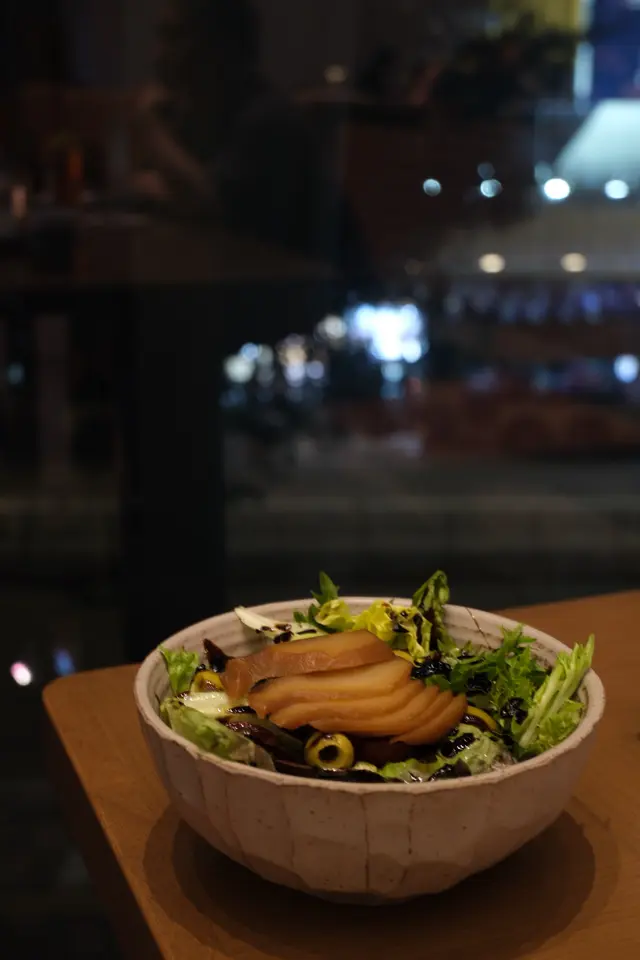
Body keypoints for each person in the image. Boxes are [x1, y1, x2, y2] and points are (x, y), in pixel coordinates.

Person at [133, 0, 369, 278]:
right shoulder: (204, 113)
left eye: (175, 37)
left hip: (316, 297)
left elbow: (208, 209)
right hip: (257, 287)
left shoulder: (268, 121)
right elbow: (170, 191)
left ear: (221, 45)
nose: (159, 56)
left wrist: (152, 128)